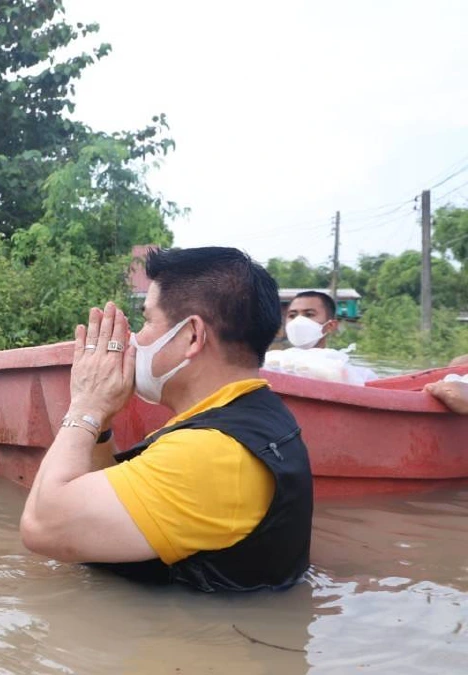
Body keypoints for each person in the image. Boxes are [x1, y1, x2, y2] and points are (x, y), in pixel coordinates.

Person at [20, 247, 313, 592]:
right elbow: (105, 499)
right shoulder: (251, 415)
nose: (135, 339)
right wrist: (100, 425)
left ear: (191, 335)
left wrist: (85, 406)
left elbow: (42, 525)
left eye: (146, 320)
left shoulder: (211, 454)